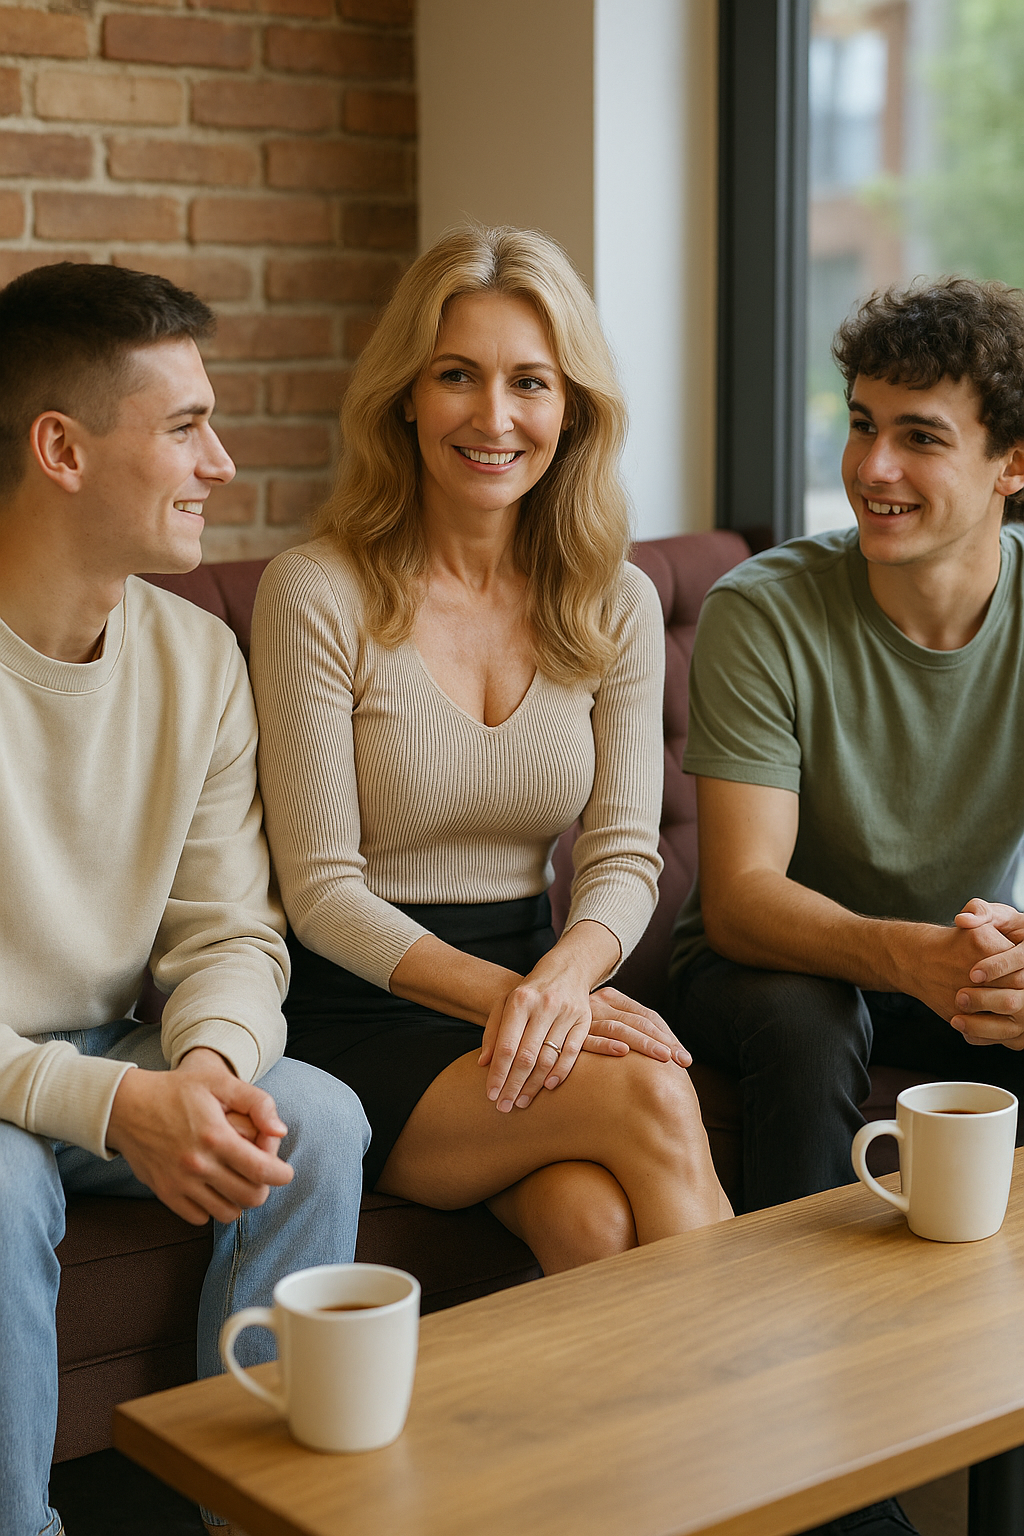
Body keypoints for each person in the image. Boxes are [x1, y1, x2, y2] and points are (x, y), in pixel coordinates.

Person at [249, 224, 730, 1276]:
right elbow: (321, 890)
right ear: (406, 395)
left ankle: (629, 1447)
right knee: (651, 1090)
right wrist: (525, 1006)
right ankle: (774, 1422)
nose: (495, 415)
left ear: (573, 408)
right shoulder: (317, 591)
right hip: (358, 1013)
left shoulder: (615, 601)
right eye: (456, 375)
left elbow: (620, 859)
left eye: (530, 382)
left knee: (589, 1225)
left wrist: (561, 980)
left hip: (531, 987)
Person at [0, 263, 369, 1536]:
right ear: (60, 448)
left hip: (110, 1051)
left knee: (308, 1116)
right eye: (184, 426)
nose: (218, 462)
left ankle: (253, 1512)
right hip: (11, 1098)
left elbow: (229, 929)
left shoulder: (196, 654)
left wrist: (207, 1069)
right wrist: (119, 1104)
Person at [669, 275, 1024, 1220]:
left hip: (959, 958)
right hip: (767, 968)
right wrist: (911, 957)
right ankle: (796, 1340)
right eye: (864, 425)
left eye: (920, 437)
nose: (871, 467)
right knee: (808, 1020)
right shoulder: (763, 610)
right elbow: (742, 901)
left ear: (1012, 463)